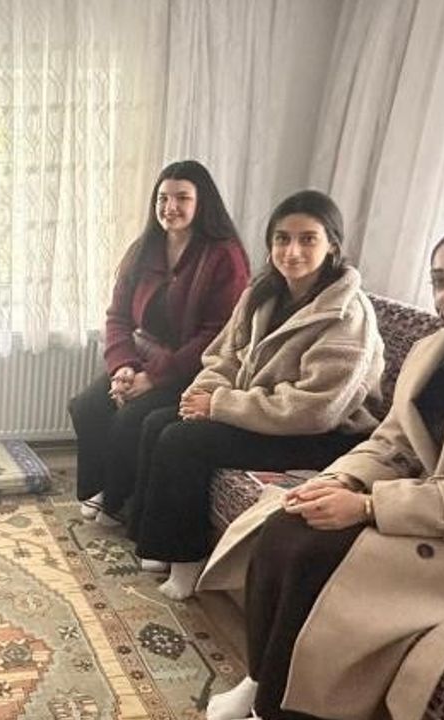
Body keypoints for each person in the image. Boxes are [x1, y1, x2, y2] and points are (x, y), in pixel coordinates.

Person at [199, 220, 444, 720]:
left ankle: (285, 707)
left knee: (318, 555)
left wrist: (371, 506)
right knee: (285, 524)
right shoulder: (443, 350)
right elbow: (394, 440)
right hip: (427, 502)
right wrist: (342, 479)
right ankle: (264, 679)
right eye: (440, 280)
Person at [127, 190, 384, 600]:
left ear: (332, 246)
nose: (292, 251)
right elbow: (223, 356)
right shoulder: (262, 293)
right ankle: (153, 540)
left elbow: (317, 408)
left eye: (308, 239)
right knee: (159, 420)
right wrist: (204, 393)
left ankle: (186, 560)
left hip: (324, 436)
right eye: (282, 239)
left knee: (183, 441)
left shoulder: (348, 314)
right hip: (262, 413)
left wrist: (220, 405)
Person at [69, 160, 250, 526]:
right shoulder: (144, 248)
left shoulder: (224, 256)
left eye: (182, 198)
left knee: (130, 419)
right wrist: (123, 367)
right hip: (141, 360)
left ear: (202, 203)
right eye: (163, 198)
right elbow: (117, 316)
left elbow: (215, 336)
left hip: (193, 370)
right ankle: (103, 487)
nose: (170, 207)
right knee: (86, 406)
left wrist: (153, 378)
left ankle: (117, 500)